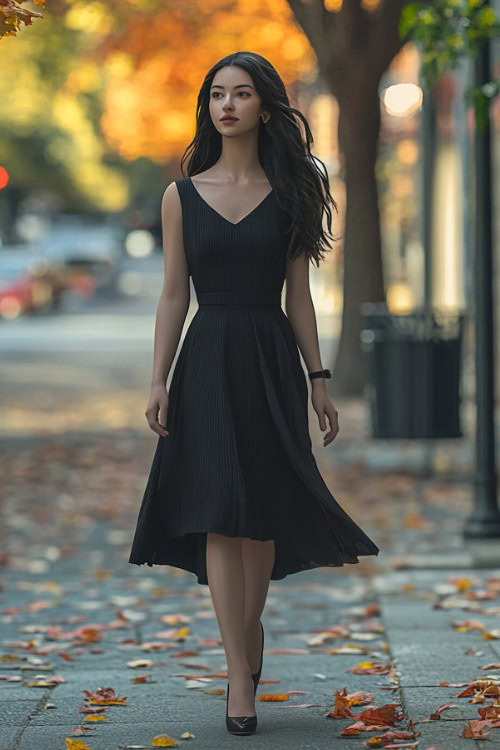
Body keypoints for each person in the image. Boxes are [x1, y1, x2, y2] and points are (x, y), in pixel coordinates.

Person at [128, 51, 380, 735]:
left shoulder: (292, 192)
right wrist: (158, 377)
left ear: (264, 106)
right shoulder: (180, 195)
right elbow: (174, 291)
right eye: (217, 95)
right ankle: (239, 671)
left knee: (260, 507)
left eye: (241, 94)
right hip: (206, 358)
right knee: (217, 509)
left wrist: (318, 380)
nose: (227, 105)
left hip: (269, 357)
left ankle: (249, 633)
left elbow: (298, 297)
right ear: (208, 107)